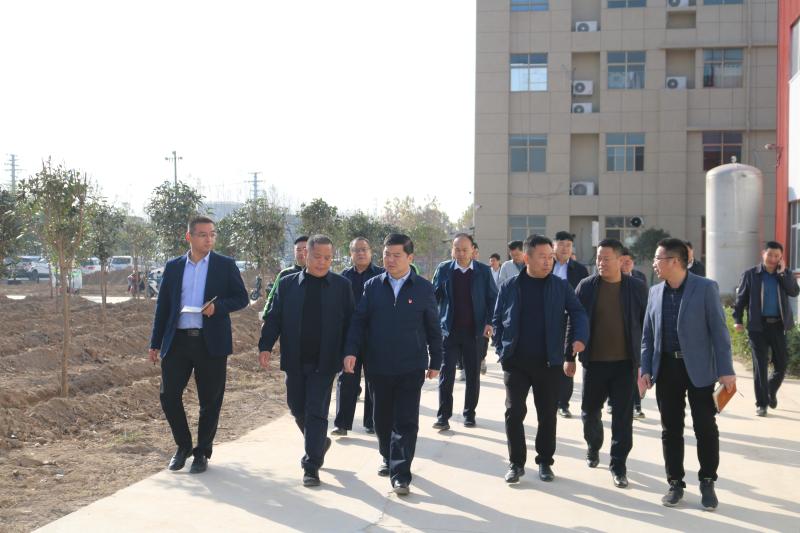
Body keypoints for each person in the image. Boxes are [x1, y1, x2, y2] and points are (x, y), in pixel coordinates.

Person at [640, 238, 736, 510]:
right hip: (666, 369)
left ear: (674, 261)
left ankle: (707, 481)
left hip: (700, 368)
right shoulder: (654, 292)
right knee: (671, 429)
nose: (654, 263)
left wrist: (726, 370)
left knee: (705, 427)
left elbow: (719, 332)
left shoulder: (705, 288)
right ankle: (675, 483)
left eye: (658, 258)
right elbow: (648, 336)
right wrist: (645, 368)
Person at [148, 216, 249, 474]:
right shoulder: (173, 267)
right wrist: (155, 342)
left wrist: (218, 307)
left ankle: (202, 452)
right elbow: (163, 306)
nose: (209, 239)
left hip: (210, 342)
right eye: (203, 234)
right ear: (189, 237)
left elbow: (241, 298)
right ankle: (183, 446)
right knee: (169, 395)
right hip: (178, 341)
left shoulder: (224, 265)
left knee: (210, 400)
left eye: (212, 234)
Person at [344, 233, 442, 496]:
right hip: (378, 364)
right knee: (382, 418)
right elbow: (359, 322)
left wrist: (436, 359)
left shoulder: (423, 288)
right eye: (387, 254)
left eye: (397, 255)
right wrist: (351, 351)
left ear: (410, 257)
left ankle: (401, 473)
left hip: (411, 365)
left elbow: (433, 327)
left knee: (406, 420)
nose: (390, 260)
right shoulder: (373, 286)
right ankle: (388, 456)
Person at [258, 235, 355, 487]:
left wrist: (350, 352)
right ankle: (319, 442)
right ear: (305, 256)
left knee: (316, 411)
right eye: (317, 257)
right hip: (295, 358)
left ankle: (311, 465)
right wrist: (265, 345)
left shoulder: (342, 286)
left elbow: (351, 324)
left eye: (327, 258)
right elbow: (275, 318)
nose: (322, 262)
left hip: (326, 360)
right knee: (296, 406)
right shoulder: (287, 284)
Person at [493, 235, 588, 484]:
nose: (548, 262)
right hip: (516, 361)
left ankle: (545, 461)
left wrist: (579, 338)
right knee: (514, 412)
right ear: (526, 258)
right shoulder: (510, 286)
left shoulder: (560, 286)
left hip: (549, 362)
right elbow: (498, 319)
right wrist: (501, 349)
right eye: (542, 257)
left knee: (547, 414)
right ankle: (516, 463)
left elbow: (578, 312)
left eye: (550, 257)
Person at [567, 239, 647, 489]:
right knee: (590, 412)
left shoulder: (636, 288)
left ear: (621, 260)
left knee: (623, 418)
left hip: (625, 364)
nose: (601, 263)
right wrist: (569, 356)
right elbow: (573, 320)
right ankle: (593, 445)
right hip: (594, 362)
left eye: (606, 258)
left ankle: (618, 465)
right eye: (598, 258)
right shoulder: (586, 287)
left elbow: (646, 325)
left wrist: (645, 363)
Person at [431, 234, 498, 430]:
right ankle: (443, 417)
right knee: (446, 375)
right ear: (452, 250)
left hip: (474, 332)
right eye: (457, 249)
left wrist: (489, 322)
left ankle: (469, 414)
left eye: (464, 250)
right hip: (449, 331)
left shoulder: (483, 271)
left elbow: (492, 298)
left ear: (473, 251)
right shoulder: (444, 269)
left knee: (472, 375)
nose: (460, 253)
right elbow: (433, 297)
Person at [733, 241, 799, 416]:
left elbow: (794, 291)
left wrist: (783, 273)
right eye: (770, 255)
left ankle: (770, 390)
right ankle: (762, 404)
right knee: (760, 366)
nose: (772, 259)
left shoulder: (785, 273)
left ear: (781, 258)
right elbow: (741, 299)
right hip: (757, 326)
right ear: (763, 254)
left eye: (777, 256)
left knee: (782, 364)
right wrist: (738, 319)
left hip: (778, 326)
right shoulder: (751, 274)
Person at [332, 237, 384, 435]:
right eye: (356, 250)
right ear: (350, 253)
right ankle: (342, 424)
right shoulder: (343, 278)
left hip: (374, 337)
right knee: (347, 379)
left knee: (374, 380)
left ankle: (371, 422)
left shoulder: (382, 276)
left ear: (371, 252)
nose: (361, 253)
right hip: (349, 338)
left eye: (364, 249)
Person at [551, 231, 590, 419]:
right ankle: (549, 400)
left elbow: (583, 300)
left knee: (568, 359)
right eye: (561, 244)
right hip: (548, 319)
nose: (565, 248)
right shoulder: (545, 265)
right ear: (553, 246)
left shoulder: (580, 270)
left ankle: (563, 404)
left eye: (568, 245)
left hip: (569, 320)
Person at [619, 247, 648, 418]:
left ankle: (637, 405)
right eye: (622, 261)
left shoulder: (639, 279)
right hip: (617, 333)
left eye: (628, 261)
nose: (625, 264)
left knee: (635, 369)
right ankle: (613, 402)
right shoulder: (611, 280)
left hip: (635, 331)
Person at [260, 235, 308, 321]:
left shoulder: (318, 274)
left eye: (305, 249)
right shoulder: (285, 274)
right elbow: (272, 298)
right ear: (294, 252)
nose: (301, 253)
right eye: (298, 250)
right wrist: (266, 319)